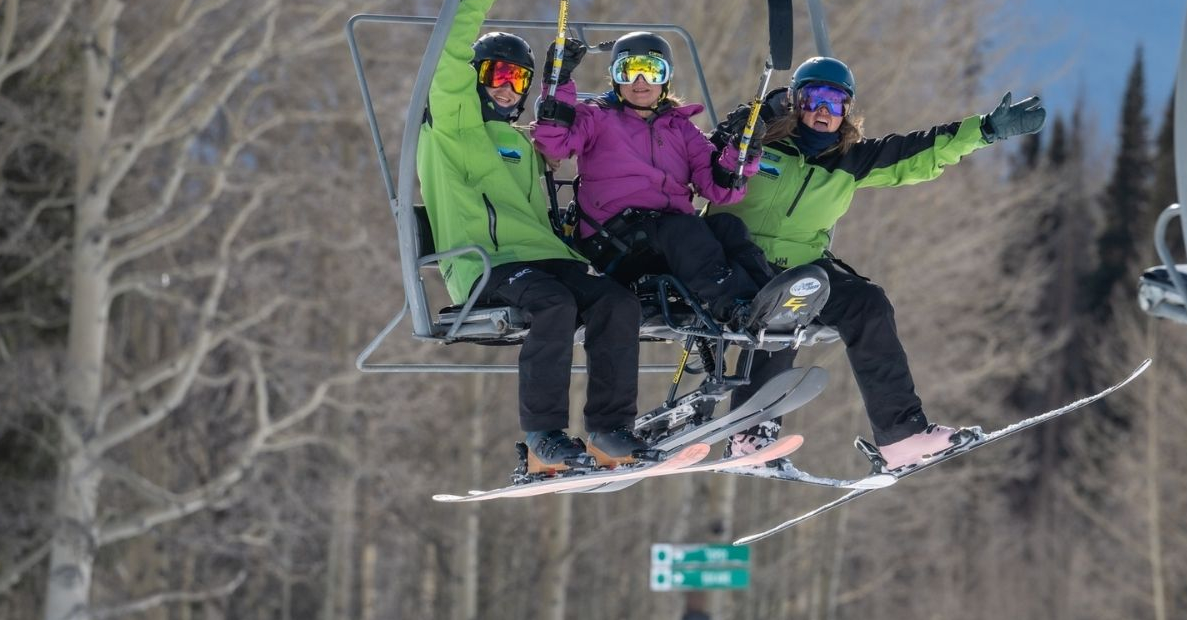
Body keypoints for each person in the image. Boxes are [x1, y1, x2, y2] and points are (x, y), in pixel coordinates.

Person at [709, 57, 1048, 470]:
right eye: (814, 99)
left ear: (846, 111)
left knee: (867, 304)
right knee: (786, 308)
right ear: (795, 101)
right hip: (735, 266)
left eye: (835, 104)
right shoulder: (757, 144)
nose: (823, 112)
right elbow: (705, 160)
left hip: (802, 268)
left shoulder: (850, 161)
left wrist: (986, 130)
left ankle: (901, 436)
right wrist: (743, 129)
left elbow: (920, 150)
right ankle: (749, 437)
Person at [416, 0, 650, 474]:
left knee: (618, 303)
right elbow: (446, 55)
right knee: (554, 305)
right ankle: (544, 435)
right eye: (498, 74)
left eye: (518, 79)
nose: (507, 88)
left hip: (546, 261)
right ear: (476, 77)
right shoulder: (454, 125)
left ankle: (609, 429)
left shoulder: (522, 144)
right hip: (486, 266)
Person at [530, 32, 776, 331]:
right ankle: (734, 306)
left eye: (652, 71)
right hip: (615, 239)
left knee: (728, 226)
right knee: (684, 229)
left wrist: (743, 148)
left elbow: (720, 189)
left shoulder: (681, 129)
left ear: (666, 78)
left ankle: (769, 300)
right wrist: (560, 79)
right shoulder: (597, 117)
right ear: (615, 78)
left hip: (667, 237)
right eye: (629, 70)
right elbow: (553, 145)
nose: (640, 81)